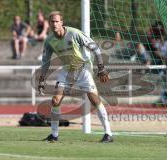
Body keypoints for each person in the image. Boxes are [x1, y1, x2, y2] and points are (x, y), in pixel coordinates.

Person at [38, 11, 113, 143]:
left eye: (57, 21)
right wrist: (42, 79)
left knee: (94, 101)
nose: (54, 24)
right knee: (55, 100)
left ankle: (108, 134)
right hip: (67, 70)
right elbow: (46, 62)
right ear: (49, 24)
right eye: (52, 22)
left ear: (62, 22)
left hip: (83, 69)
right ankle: (54, 135)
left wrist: (101, 67)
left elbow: (95, 48)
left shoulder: (74, 33)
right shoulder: (49, 41)